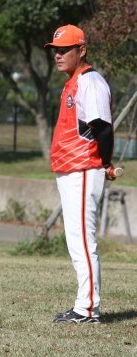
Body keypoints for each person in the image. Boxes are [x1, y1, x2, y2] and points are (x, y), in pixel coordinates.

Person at [44, 24, 114, 324]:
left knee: (84, 241)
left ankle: (87, 309)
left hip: (84, 168)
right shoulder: (72, 81)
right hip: (73, 170)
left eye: (65, 49)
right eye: (55, 50)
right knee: (76, 240)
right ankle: (84, 306)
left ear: (81, 50)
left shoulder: (90, 80)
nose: (58, 55)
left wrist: (106, 161)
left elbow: (103, 127)